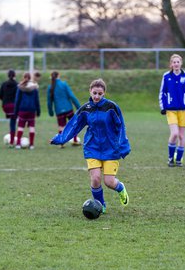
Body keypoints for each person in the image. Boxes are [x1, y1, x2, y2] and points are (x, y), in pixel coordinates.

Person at [50, 78, 131, 213]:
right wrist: (61, 139)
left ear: (104, 93)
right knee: (95, 178)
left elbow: (121, 126)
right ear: (90, 91)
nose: (97, 96)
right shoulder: (86, 109)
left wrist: (123, 144)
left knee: (109, 182)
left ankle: (120, 188)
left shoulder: (111, 107)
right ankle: (100, 205)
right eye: (94, 93)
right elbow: (74, 125)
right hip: (92, 147)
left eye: (100, 93)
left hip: (110, 148)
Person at [159, 54, 185, 167]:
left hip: (183, 110)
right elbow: (162, 93)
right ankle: (171, 158)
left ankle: (179, 160)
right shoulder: (166, 76)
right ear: (171, 64)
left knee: (181, 136)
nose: (176, 64)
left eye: (178, 62)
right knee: (174, 133)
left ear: (181, 63)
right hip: (171, 110)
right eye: (174, 62)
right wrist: (163, 107)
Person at [47, 71, 81, 147]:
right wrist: (79, 107)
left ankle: (61, 143)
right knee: (73, 124)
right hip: (68, 109)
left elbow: (49, 101)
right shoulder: (64, 84)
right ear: (59, 76)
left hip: (59, 111)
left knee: (61, 127)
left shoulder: (50, 87)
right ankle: (75, 140)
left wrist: (50, 111)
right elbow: (72, 96)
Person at [14, 72, 41, 150]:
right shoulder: (34, 88)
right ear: (30, 78)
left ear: (24, 77)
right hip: (32, 110)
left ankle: (18, 144)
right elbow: (37, 101)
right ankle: (32, 145)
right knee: (32, 127)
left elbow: (17, 100)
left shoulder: (20, 87)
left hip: (22, 109)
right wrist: (38, 111)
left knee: (20, 127)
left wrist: (15, 112)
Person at [0, 69, 18, 147]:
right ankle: (13, 141)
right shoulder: (17, 85)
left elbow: (0, 95)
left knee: (12, 121)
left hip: (6, 106)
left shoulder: (4, 84)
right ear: (15, 76)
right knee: (16, 122)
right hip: (14, 106)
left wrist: (5, 101)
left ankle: (12, 141)